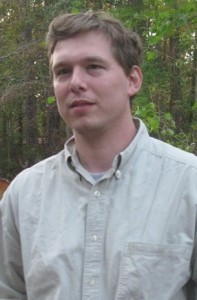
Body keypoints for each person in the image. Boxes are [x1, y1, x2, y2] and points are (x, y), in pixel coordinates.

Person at [0, 11, 197, 300]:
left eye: (93, 67)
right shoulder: (23, 195)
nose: (75, 82)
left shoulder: (188, 183)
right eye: (63, 71)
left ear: (132, 80)